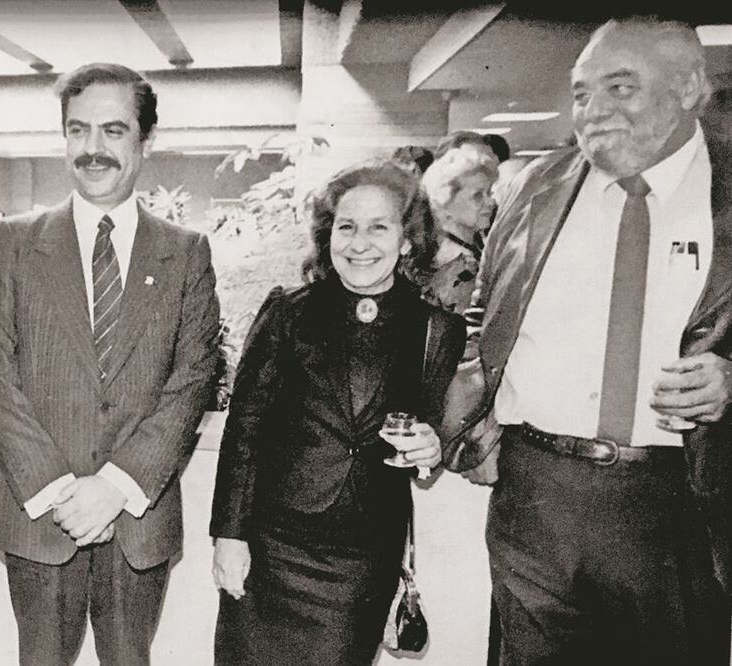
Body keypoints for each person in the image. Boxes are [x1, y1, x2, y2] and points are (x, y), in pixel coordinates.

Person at [447, 18, 732, 664]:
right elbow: (483, 314)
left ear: (688, 86)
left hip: (676, 501)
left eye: (620, 87)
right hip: (535, 497)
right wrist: (476, 422)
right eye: (580, 93)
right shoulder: (534, 188)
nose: (592, 111)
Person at [0, 62, 220, 666]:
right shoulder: (13, 242)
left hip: (139, 517)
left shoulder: (187, 254)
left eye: (113, 130)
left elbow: (191, 383)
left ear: (145, 141)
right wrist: (62, 492)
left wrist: (113, 488)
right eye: (78, 131)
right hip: (41, 518)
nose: (93, 148)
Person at [209, 159, 467, 666]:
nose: (359, 243)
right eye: (346, 227)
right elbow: (245, 430)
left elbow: (431, 430)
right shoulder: (288, 313)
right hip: (273, 548)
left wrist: (431, 446)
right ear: (328, 236)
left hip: (361, 558)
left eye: (379, 227)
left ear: (408, 239)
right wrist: (230, 536)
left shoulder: (437, 331)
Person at [419, 146, 499, 315]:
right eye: (477, 195)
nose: (490, 202)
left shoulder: (473, 247)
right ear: (444, 201)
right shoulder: (456, 267)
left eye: (489, 193)